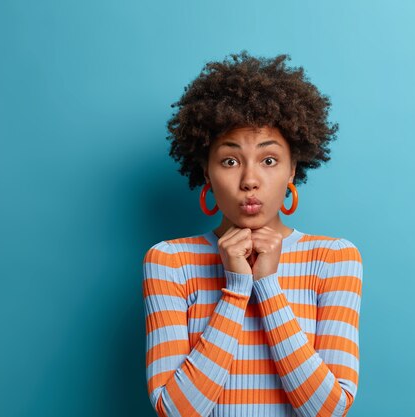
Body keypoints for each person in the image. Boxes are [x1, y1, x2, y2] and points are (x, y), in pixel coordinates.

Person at [142, 51, 363, 417]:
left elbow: (327, 409)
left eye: (269, 160)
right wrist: (236, 288)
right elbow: (177, 411)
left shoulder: (333, 258)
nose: (249, 180)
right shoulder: (169, 262)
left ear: (293, 167)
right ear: (206, 172)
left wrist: (268, 285)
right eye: (230, 161)